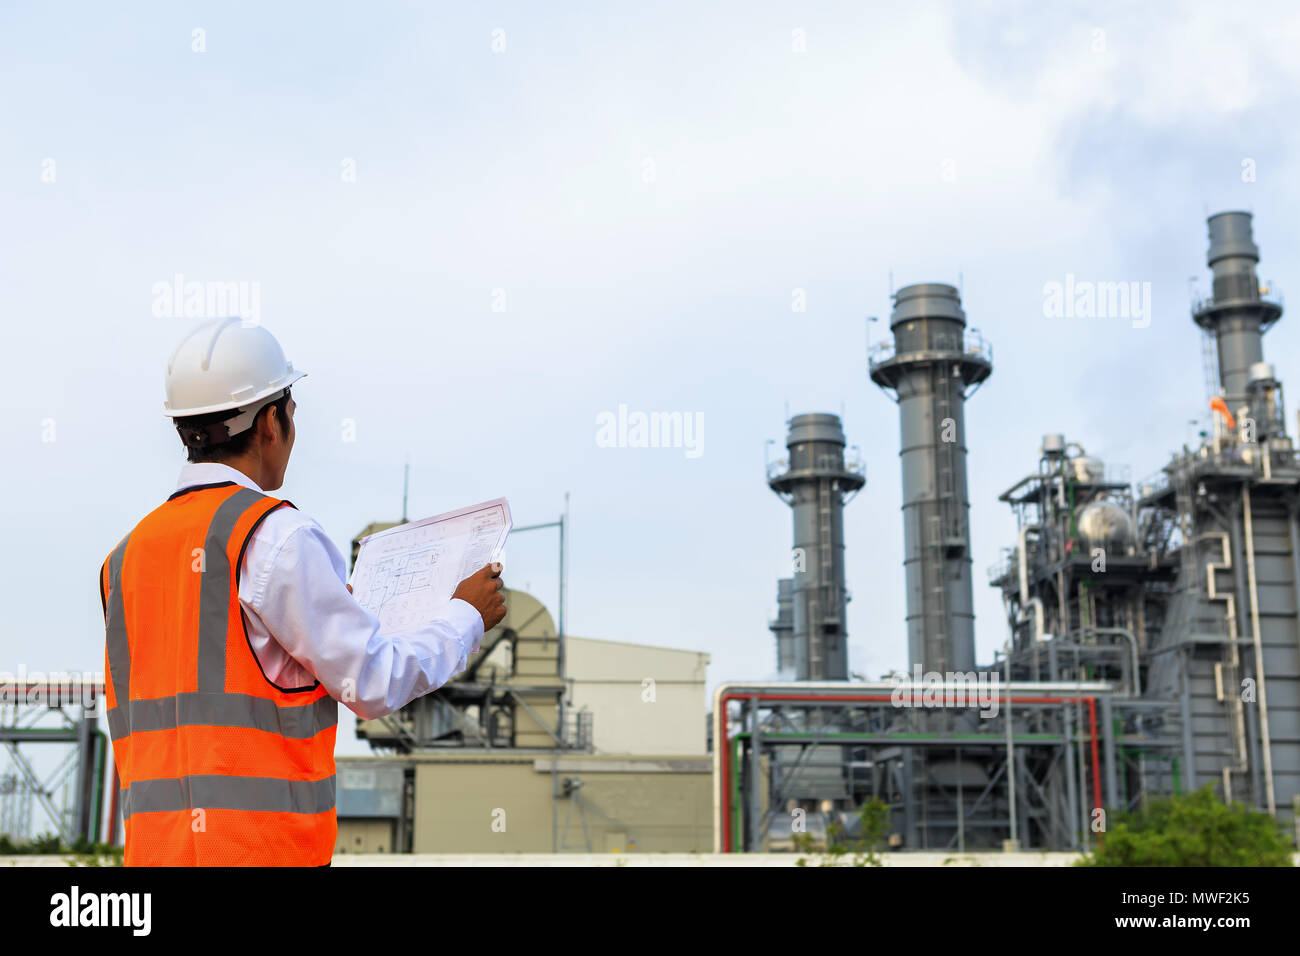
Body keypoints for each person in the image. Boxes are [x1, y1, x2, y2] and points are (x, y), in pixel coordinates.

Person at [100, 316, 506, 866]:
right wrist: (465, 617)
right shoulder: (274, 537)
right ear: (271, 420)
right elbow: (373, 682)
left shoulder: (124, 559)